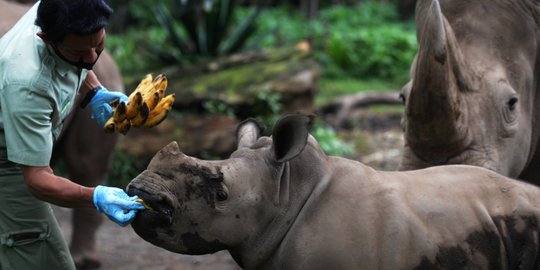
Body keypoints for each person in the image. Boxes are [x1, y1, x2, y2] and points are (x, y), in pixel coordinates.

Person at [0, 0, 145, 269]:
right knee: (43, 258)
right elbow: (36, 179)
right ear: (45, 38)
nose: (91, 59)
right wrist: (94, 197)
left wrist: (94, 91)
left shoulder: (56, 9)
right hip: (7, 164)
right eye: (79, 53)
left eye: (98, 45)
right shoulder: (27, 84)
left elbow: (84, 56)